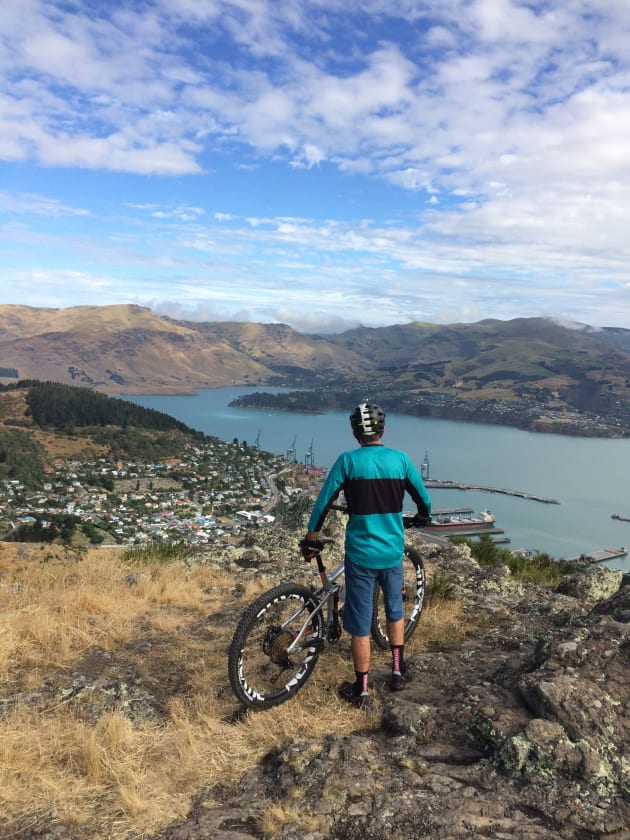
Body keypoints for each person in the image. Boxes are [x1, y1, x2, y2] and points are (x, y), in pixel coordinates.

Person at [300, 402, 431, 708]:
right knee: (395, 609)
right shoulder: (400, 460)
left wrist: (311, 538)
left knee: (360, 624)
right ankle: (398, 671)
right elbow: (424, 501)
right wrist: (421, 518)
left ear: (355, 433)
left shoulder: (347, 461)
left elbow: (322, 503)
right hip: (392, 552)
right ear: (383, 431)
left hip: (360, 556)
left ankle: (361, 689)